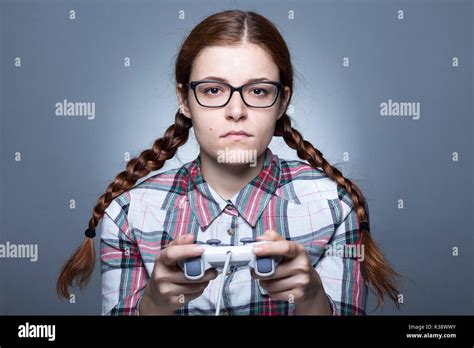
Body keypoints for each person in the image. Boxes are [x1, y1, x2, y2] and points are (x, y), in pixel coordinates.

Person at [57, 9, 402, 316]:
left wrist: (311, 298)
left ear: (282, 101)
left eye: (258, 91)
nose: (236, 112)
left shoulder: (334, 208)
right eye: (212, 90)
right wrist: (155, 306)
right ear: (185, 100)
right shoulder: (128, 214)